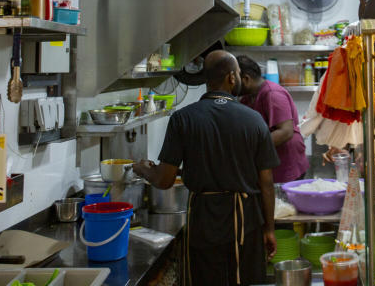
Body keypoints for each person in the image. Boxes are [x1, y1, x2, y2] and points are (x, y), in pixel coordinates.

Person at [133, 51, 280, 286]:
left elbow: (163, 180)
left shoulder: (183, 118)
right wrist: (269, 229)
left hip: (203, 219)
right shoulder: (254, 120)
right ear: (232, 77)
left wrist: (141, 169)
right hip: (244, 219)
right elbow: (266, 183)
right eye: (239, 74)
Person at [237, 55, 310, 183]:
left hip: (286, 161)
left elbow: (285, 132)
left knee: (283, 200)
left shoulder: (272, 94)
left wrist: (250, 148)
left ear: (245, 79)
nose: (232, 84)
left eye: (234, 80)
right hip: (270, 161)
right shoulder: (247, 99)